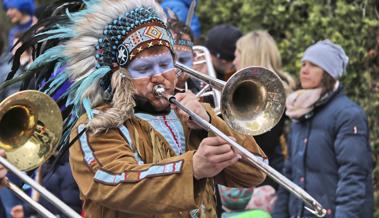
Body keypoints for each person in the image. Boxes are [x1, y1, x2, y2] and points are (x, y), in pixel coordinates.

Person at [5, 0, 266, 217]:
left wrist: (209, 121)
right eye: (143, 69)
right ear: (119, 76)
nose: (159, 77)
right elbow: (113, 182)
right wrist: (193, 168)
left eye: (165, 65)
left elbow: (254, 173)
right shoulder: (95, 125)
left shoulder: (192, 115)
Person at [272, 39, 373, 218]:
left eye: (313, 65)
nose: (304, 70)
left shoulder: (348, 115)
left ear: (328, 72)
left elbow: (353, 177)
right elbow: (289, 175)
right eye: (303, 64)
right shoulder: (299, 111)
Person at [218, 30, 296, 216]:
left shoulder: (271, 98)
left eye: (237, 53)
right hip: (268, 179)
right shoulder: (285, 89)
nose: (234, 60)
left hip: (259, 185)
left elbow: (254, 139)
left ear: (248, 56)